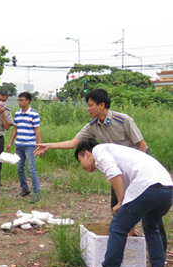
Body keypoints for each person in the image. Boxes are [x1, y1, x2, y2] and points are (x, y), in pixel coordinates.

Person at [33, 89, 167, 251]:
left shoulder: (123, 120)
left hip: (138, 169)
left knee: (148, 212)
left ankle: (161, 248)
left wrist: (136, 176)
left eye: (90, 105)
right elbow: (73, 142)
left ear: (102, 105)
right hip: (117, 171)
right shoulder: (92, 126)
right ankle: (125, 248)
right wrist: (49, 146)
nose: (88, 109)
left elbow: (141, 145)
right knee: (118, 208)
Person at [74, 139, 172, 267]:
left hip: (148, 186)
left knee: (117, 227)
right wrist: (128, 218)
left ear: (87, 154)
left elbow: (114, 174)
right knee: (151, 227)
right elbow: (129, 189)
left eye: (81, 161)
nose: (83, 167)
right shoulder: (121, 154)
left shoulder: (99, 150)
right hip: (166, 188)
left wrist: (120, 202)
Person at [6, 92, 41, 202]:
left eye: (22, 100)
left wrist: (39, 146)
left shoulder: (34, 114)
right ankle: (25, 189)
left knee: (31, 168)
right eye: (19, 100)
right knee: (19, 167)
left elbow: (37, 131)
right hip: (19, 145)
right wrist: (10, 142)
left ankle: (36, 192)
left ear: (28, 101)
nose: (20, 102)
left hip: (30, 145)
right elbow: (15, 129)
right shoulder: (17, 113)